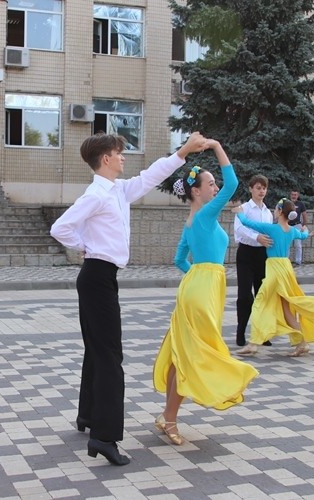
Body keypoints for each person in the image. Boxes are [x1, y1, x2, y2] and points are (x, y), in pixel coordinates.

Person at [50, 131, 209, 466]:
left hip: (102, 277)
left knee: (98, 351)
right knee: (110, 357)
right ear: (105, 158)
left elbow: (152, 175)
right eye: (119, 153)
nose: (123, 157)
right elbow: (60, 228)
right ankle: (104, 438)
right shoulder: (97, 194)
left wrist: (182, 151)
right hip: (96, 276)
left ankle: (88, 417)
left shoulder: (119, 190)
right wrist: (85, 246)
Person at [152, 141, 259, 446]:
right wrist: (216, 146)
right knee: (193, 356)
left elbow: (178, 261)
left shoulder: (192, 221)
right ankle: (170, 419)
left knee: (182, 355)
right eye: (211, 184)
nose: (216, 188)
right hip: (202, 291)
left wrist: (198, 277)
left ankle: (167, 416)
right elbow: (235, 183)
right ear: (196, 191)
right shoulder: (205, 215)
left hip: (198, 288)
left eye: (214, 184)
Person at [233, 198, 314, 357]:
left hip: (274, 269)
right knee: (286, 308)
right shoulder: (292, 230)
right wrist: (307, 230)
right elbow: (303, 235)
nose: (274, 211)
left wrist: (239, 212)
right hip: (286, 269)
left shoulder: (272, 229)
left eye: (275, 209)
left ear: (280, 212)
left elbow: (248, 223)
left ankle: (253, 344)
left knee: (260, 302)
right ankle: (302, 343)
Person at [233, 175, 273, 346]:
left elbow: (270, 233)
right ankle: (240, 331)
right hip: (246, 254)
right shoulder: (243, 209)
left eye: (264, 188)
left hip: (262, 256)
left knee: (262, 295)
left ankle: (262, 334)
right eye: (258, 187)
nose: (261, 191)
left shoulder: (268, 212)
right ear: (251, 189)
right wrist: (256, 237)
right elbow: (239, 229)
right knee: (245, 296)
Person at [289, 190, 308, 266]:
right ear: (290, 195)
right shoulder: (287, 203)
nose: (294, 196)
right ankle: (287, 261)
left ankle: (298, 261)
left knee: (298, 244)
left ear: (298, 195)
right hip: (288, 226)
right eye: (292, 194)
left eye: (295, 195)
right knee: (287, 244)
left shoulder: (301, 204)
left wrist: (303, 225)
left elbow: (304, 215)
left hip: (297, 226)